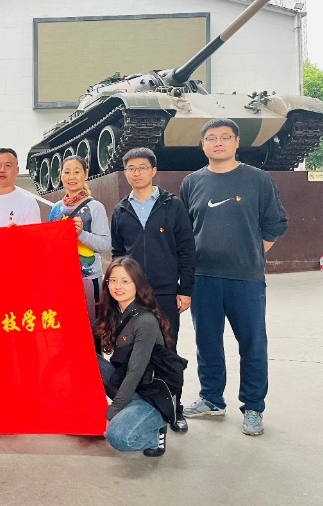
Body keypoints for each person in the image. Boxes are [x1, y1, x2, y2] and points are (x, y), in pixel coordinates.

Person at [179, 118, 287, 437]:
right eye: (211, 138)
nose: (218, 143)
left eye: (225, 137)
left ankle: (253, 406)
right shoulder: (191, 183)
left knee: (252, 344)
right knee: (207, 342)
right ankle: (212, 399)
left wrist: (253, 251)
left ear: (237, 142)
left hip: (246, 279)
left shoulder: (258, 180)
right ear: (203, 145)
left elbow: (275, 224)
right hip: (203, 278)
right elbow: (183, 231)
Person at [110, 146, 195, 433]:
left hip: (166, 292)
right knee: (132, 352)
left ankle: (174, 408)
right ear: (125, 173)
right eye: (131, 168)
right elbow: (118, 254)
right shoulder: (121, 210)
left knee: (167, 351)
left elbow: (186, 249)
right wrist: (120, 289)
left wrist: (185, 288)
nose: (137, 173)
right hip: (132, 296)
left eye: (143, 167)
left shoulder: (173, 206)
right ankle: (142, 408)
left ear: (154, 171)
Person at [97, 257, 173, 457]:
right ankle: (127, 411)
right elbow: (82, 336)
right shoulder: (114, 311)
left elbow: (135, 372)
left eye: (125, 281)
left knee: (117, 437)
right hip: (127, 385)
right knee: (85, 360)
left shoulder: (145, 321)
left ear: (137, 284)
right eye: (113, 280)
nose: (117, 286)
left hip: (151, 395)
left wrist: (111, 413)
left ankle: (155, 430)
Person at [47, 155, 111, 324]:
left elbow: (105, 244)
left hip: (88, 279)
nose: (72, 177)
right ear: (61, 176)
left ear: (86, 174)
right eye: (67, 172)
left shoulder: (95, 207)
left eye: (77, 172)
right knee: (66, 327)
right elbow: (50, 244)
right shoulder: (56, 209)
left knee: (90, 327)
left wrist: (81, 234)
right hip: (61, 279)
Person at [0, 148, 41, 228]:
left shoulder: (28, 202)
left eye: (8, 165)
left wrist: (20, 233)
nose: (2, 170)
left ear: (17, 170)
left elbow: (35, 234)